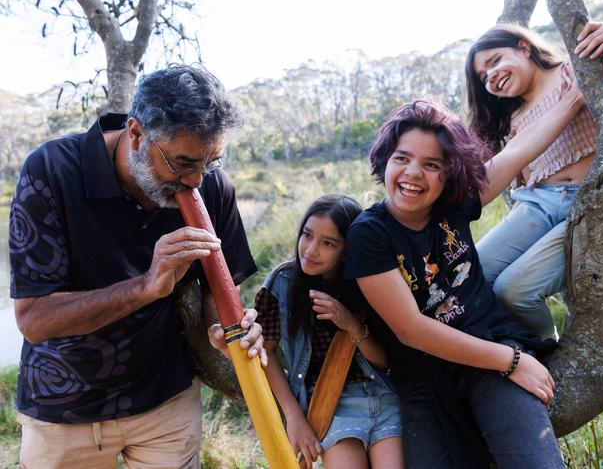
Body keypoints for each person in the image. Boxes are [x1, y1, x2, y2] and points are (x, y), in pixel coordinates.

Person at [9, 64, 265, 469]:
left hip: (166, 400)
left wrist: (227, 329)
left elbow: (219, 291)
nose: (196, 181)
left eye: (210, 162)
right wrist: (147, 285)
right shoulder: (53, 171)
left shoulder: (210, 185)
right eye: (182, 163)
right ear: (135, 133)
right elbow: (34, 319)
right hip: (65, 410)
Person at [344, 95, 586, 467]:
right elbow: (411, 329)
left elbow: (517, 151)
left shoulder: (452, 205)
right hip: (423, 379)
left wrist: (572, 102)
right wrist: (513, 361)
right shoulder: (369, 234)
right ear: (385, 160)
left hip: (486, 351)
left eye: (431, 164)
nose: (412, 173)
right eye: (402, 158)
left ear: (449, 173)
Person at [465, 21, 603, 340]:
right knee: (472, 274)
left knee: (514, 290)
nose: (491, 76)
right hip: (542, 203)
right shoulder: (510, 118)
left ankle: (548, 352)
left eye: (494, 61)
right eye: (483, 77)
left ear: (524, 46)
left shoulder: (576, 70)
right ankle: (521, 351)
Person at [256, 194, 404, 469]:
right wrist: (295, 417)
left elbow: (385, 361)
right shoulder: (283, 283)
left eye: (328, 243)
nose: (311, 250)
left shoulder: (368, 281)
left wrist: (350, 323)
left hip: (382, 395)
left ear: (348, 249)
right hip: (331, 404)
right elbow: (265, 353)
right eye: (307, 235)